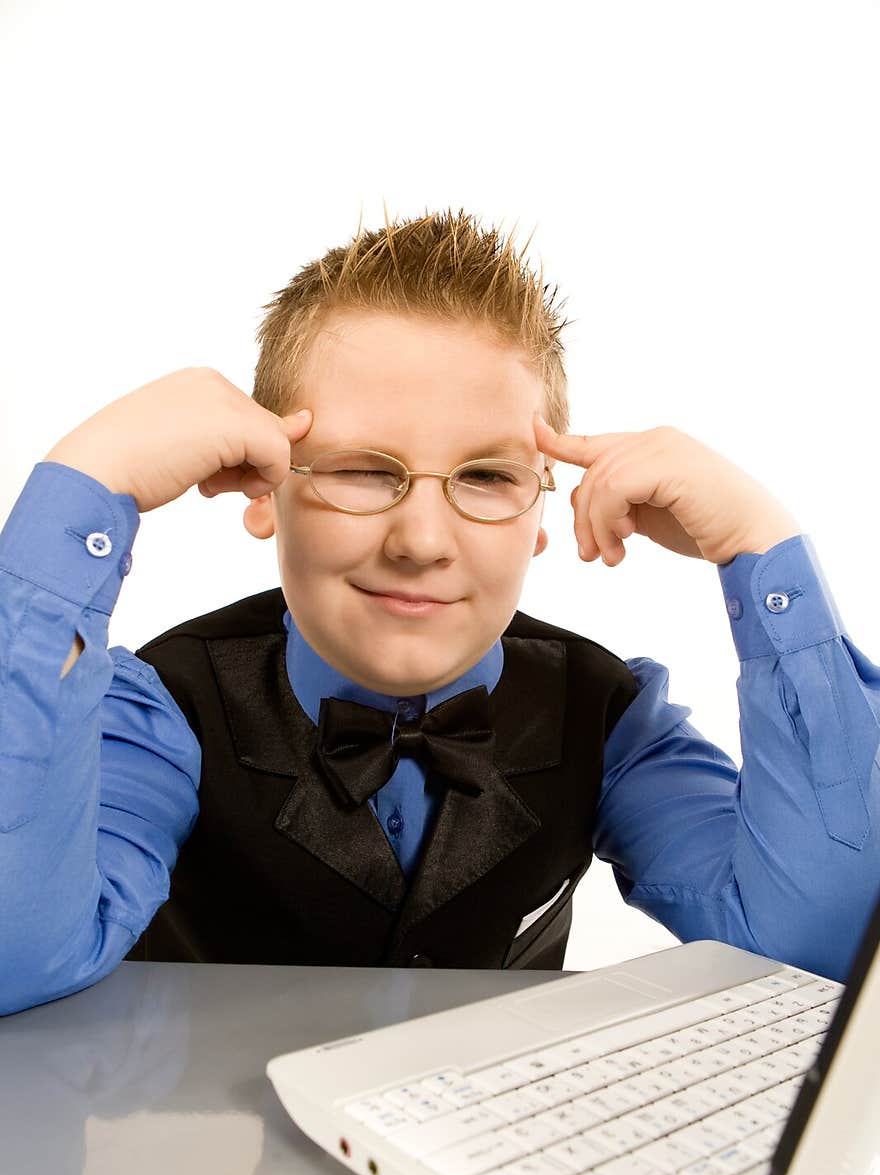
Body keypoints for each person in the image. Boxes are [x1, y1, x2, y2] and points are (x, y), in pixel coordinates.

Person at [1, 208, 878, 1016]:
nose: (422, 539)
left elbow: (810, 953)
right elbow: (16, 954)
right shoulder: (164, 706)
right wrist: (87, 482)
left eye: (488, 477)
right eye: (360, 469)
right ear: (261, 486)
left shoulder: (610, 716)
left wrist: (763, 550)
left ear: (541, 510)